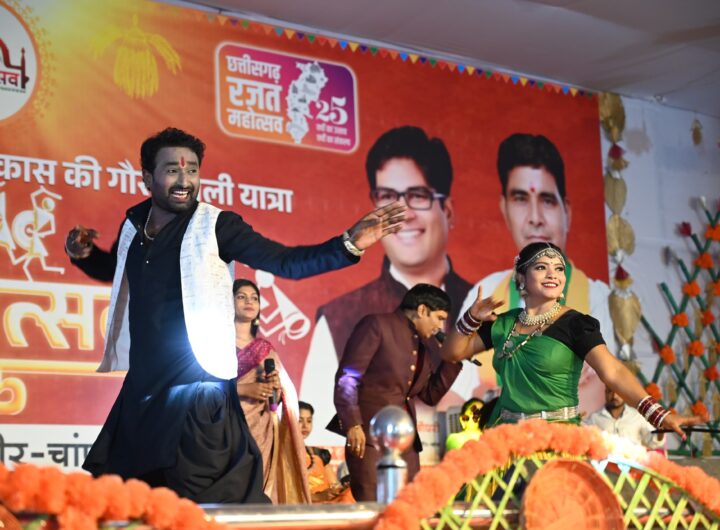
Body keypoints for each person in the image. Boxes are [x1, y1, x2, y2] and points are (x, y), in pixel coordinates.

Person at [65, 127, 405, 503]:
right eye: (173, 171)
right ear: (147, 177)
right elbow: (117, 269)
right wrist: (85, 255)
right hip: (145, 387)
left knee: (205, 502)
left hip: (197, 386)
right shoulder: (134, 224)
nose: (185, 181)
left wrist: (349, 243)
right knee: (139, 502)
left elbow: (285, 261)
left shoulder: (217, 225)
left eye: (192, 170)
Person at [302, 126, 472, 444]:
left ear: (447, 210)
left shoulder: (477, 301)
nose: (403, 215)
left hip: (426, 451)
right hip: (371, 447)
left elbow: (433, 394)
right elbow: (321, 420)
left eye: (417, 196)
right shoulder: (339, 316)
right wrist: (354, 426)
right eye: (388, 199)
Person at [442, 242, 708, 437]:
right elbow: (453, 353)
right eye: (541, 267)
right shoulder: (504, 323)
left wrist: (657, 414)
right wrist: (470, 318)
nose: (553, 275)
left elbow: (613, 371)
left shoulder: (576, 324)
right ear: (521, 277)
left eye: (559, 269)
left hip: (557, 438)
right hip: (508, 435)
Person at [459, 133, 616, 413]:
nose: (535, 218)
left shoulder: (595, 296)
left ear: (567, 211)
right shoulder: (486, 291)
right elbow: (461, 395)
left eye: (547, 200)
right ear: (504, 209)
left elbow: (600, 389)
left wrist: (502, 396)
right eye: (520, 199)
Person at [331, 283, 463, 501]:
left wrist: (453, 359)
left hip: (406, 445)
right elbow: (347, 378)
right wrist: (353, 423)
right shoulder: (377, 325)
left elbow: (430, 395)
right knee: (374, 506)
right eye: (439, 318)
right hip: (369, 438)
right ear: (422, 310)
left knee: (407, 506)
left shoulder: (422, 347)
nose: (440, 326)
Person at [233, 279, 310, 503]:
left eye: (254, 298)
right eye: (241, 297)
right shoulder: (215, 344)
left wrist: (276, 384)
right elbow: (204, 387)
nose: (249, 302)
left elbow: (285, 395)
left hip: (261, 429)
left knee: (258, 488)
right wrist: (244, 389)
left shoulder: (265, 349)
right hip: (227, 424)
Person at [298, 401, 354, 503]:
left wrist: (341, 489)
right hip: (304, 504)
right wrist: (318, 497)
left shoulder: (318, 454)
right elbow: (286, 493)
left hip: (326, 502)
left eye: (309, 421)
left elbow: (334, 485)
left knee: (351, 492)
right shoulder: (281, 455)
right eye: (300, 421)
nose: (305, 426)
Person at [585, 385, 665, 450]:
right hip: (604, 463)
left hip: (632, 463)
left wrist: (661, 431)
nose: (614, 396)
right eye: (610, 392)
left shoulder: (637, 416)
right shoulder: (594, 418)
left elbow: (652, 441)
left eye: (618, 392)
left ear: (624, 394)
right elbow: (586, 438)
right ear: (605, 393)